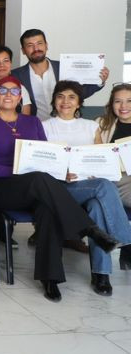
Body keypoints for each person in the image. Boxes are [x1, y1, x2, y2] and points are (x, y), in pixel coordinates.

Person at [0, 75, 118, 302]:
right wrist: (18, 171)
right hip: (1, 188)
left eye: (14, 91)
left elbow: (49, 158)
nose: (8, 95)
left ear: (20, 97)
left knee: (47, 208)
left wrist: (59, 170)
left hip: (36, 186)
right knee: (38, 179)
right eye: (3, 91)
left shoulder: (32, 123)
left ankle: (49, 278)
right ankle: (88, 228)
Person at [41, 80, 131, 296]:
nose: (66, 101)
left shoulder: (92, 127)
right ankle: (126, 240)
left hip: (89, 185)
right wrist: (61, 172)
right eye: (61, 96)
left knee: (97, 206)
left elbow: (103, 161)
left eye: (72, 97)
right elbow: (38, 163)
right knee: (104, 186)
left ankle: (101, 274)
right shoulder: (43, 126)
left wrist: (93, 170)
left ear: (80, 102)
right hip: (59, 188)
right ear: (54, 100)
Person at [12, 28, 108, 119]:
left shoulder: (65, 67)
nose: (36, 48)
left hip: (67, 125)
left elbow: (80, 93)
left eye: (39, 43)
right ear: (23, 51)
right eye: (30, 45)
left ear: (46, 46)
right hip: (36, 128)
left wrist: (100, 81)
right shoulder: (16, 75)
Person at [96, 82, 131, 270]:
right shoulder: (101, 124)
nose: (124, 106)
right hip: (113, 179)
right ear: (111, 104)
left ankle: (127, 247)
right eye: (118, 101)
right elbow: (93, 157)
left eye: (129, 101)